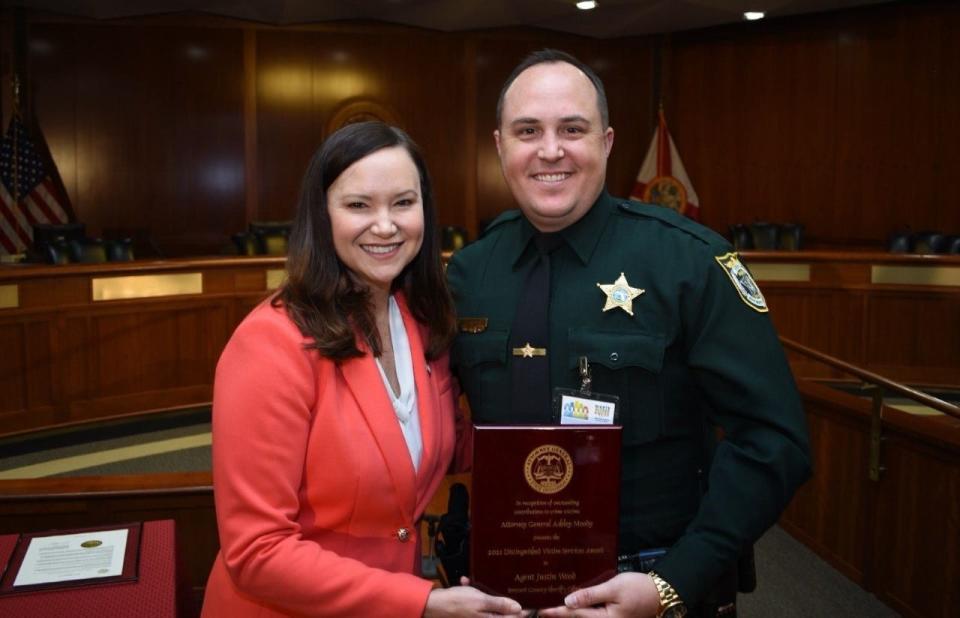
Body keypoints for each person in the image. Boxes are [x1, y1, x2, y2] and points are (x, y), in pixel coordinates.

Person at [446, 49, 812, 617]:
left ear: (607, 142)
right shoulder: (467, 276)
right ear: (500, 146)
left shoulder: (689, 263)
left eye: (573, 129)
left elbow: (773, 442)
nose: (550, 150)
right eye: (527, 131)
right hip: (504, 595)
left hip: (652, 585)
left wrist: (673, 583)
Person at [201, 121, 523, 618]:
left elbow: (447, 447)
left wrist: (575, 436)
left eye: (403, 202)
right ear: (321, 215)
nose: (386, 225)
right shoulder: (269, 344)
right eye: (358, 205)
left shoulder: (423, 321)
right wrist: (423, 602)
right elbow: (256, 551)